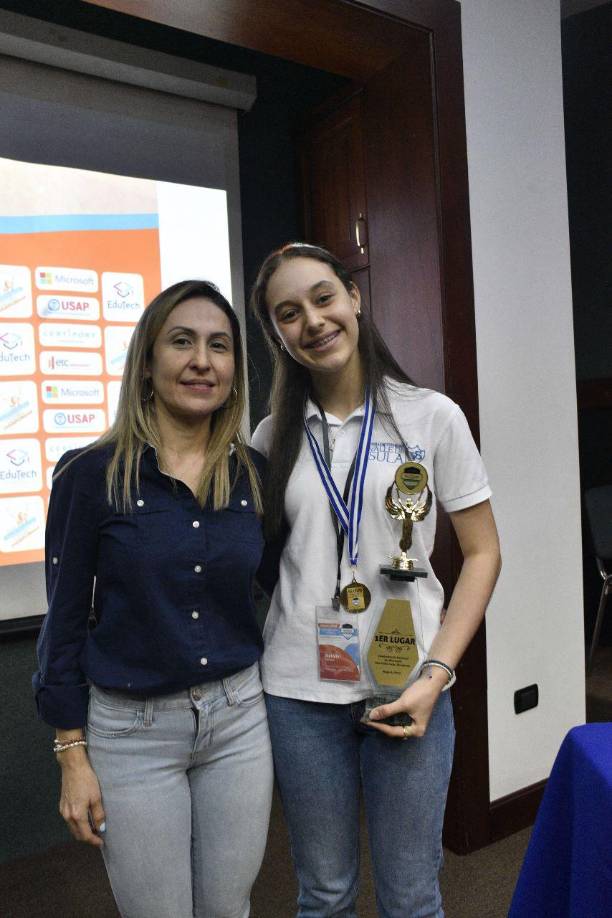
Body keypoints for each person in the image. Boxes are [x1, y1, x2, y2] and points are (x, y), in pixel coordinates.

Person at [249, 243, 502, 918]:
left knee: (411, 896)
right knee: (325, 894)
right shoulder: (272, 435)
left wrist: (436, 674)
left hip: (408, 682)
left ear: (354, 298)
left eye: (324, 297)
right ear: (277, 334)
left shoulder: (431, 415)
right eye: (289, 313)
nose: (313, 320)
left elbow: (482, 554)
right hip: (300, 691)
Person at [34, 280, 273, 918]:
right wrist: (71, 754)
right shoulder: (90, 475)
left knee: (229, 908)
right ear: (147, 361)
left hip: (239, 722)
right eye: (183, 341)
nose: (203, 360)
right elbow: (61, 624)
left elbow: (282, 586)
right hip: (131, 732)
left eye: (219, 346)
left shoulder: (252, 474)